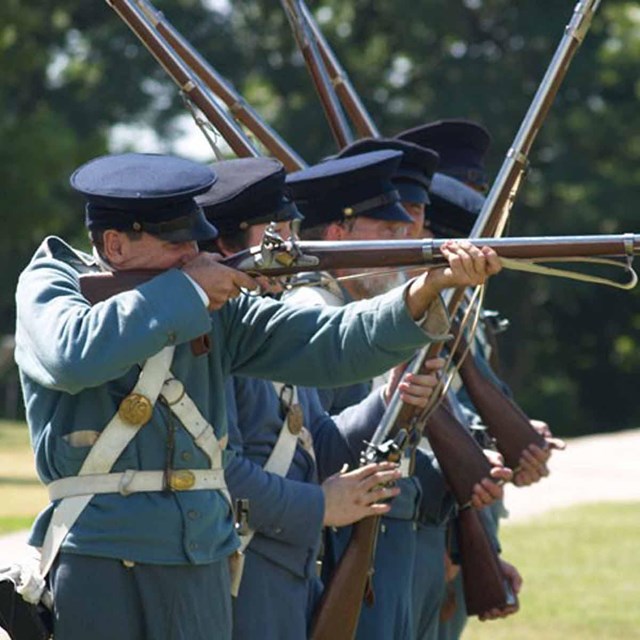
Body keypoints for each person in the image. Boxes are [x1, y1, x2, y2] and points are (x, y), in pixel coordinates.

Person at [14, 152, 502, 640]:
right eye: (177, 243)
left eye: (196, 242)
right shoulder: (56, 281)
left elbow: (330, 342)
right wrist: (187, 291)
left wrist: (427, 286)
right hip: (100, 553)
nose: (194, 255)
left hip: (202, 557)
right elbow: (70, 354)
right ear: (116, 245)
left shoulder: (209, 302)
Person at [197, 155, 442, 640]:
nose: (289, 251)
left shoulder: (271, 322)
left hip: (289, 572)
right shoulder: (207, 336)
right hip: (240, 573)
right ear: (228, 244)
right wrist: (321, 506)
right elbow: (219, 472)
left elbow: (317, 444)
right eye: (275, 237)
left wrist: (388, 400)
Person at [284, 144, 509, 640]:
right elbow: (308, 451)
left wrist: (458, 491)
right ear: (339, 235)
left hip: (391, 527)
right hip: (345, 541)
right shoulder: (311, 311)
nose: (404, 240)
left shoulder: (360, 310)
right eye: (387, 230)